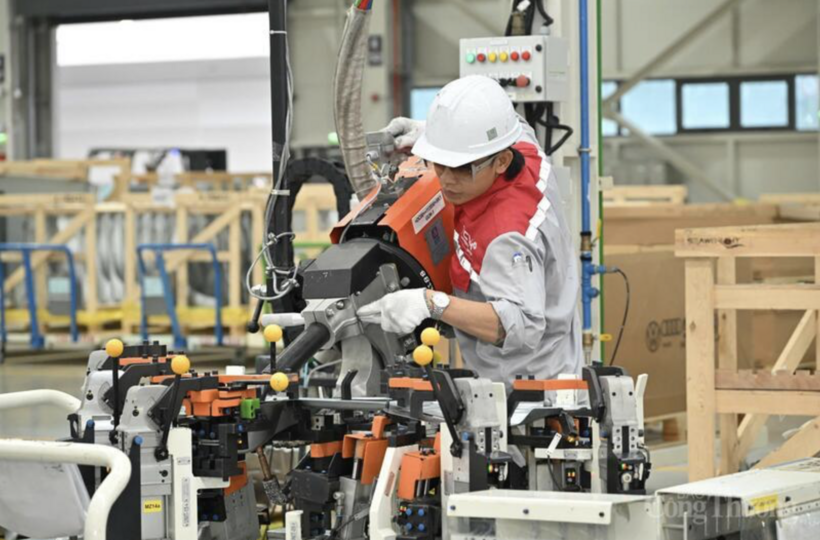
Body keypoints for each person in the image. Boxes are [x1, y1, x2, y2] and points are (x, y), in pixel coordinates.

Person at [358, 75, 581, 388]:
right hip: (509, 375)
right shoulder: (522, 147)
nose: (447, 180)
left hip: (527, 389)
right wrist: (432, 132)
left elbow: (523, 325)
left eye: (463, 168)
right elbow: (509, 124)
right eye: (438, 163)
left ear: (502, 161)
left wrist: (429, 303)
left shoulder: (508, 236)